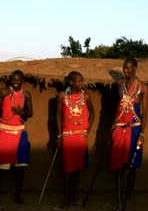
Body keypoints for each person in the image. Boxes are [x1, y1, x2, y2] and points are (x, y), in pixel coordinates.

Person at [109, 58, 148, 211]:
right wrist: (113, 126)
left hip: (135, 130)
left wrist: (142, 134)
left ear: (135, 68)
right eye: (124, 68)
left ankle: (128, 198)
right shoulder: (119, 85)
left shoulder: (143, 88)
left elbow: (145, 113)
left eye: (129, 68)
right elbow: (116, 108)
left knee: (131, 167)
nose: (126, 71)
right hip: (119, 129)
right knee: (118, 167)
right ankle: (119, 202)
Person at [0, 70, 33, 207]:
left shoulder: (26, 94)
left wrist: (21, 112)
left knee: (20, 168)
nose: (15, 82)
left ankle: (18, 196)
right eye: (13, 80)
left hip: (20, 133)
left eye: (18, 80)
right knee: (0, 167)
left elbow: (30, 113)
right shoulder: (4, 93)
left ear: (22, 81)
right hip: (4, 131)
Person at [56, 71, 95, 208]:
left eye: (82, 81)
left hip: (80, 137)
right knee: (68, 169)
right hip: (68, 136)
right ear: (71, 82)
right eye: (78, 81)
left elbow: (93, 114)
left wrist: (87, 131)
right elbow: (58, 115)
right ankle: (66, 198)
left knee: (77, 169)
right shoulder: (62, 96)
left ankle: (73, 197)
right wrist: (60, 135)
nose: (81, 83)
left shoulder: (86, 96)